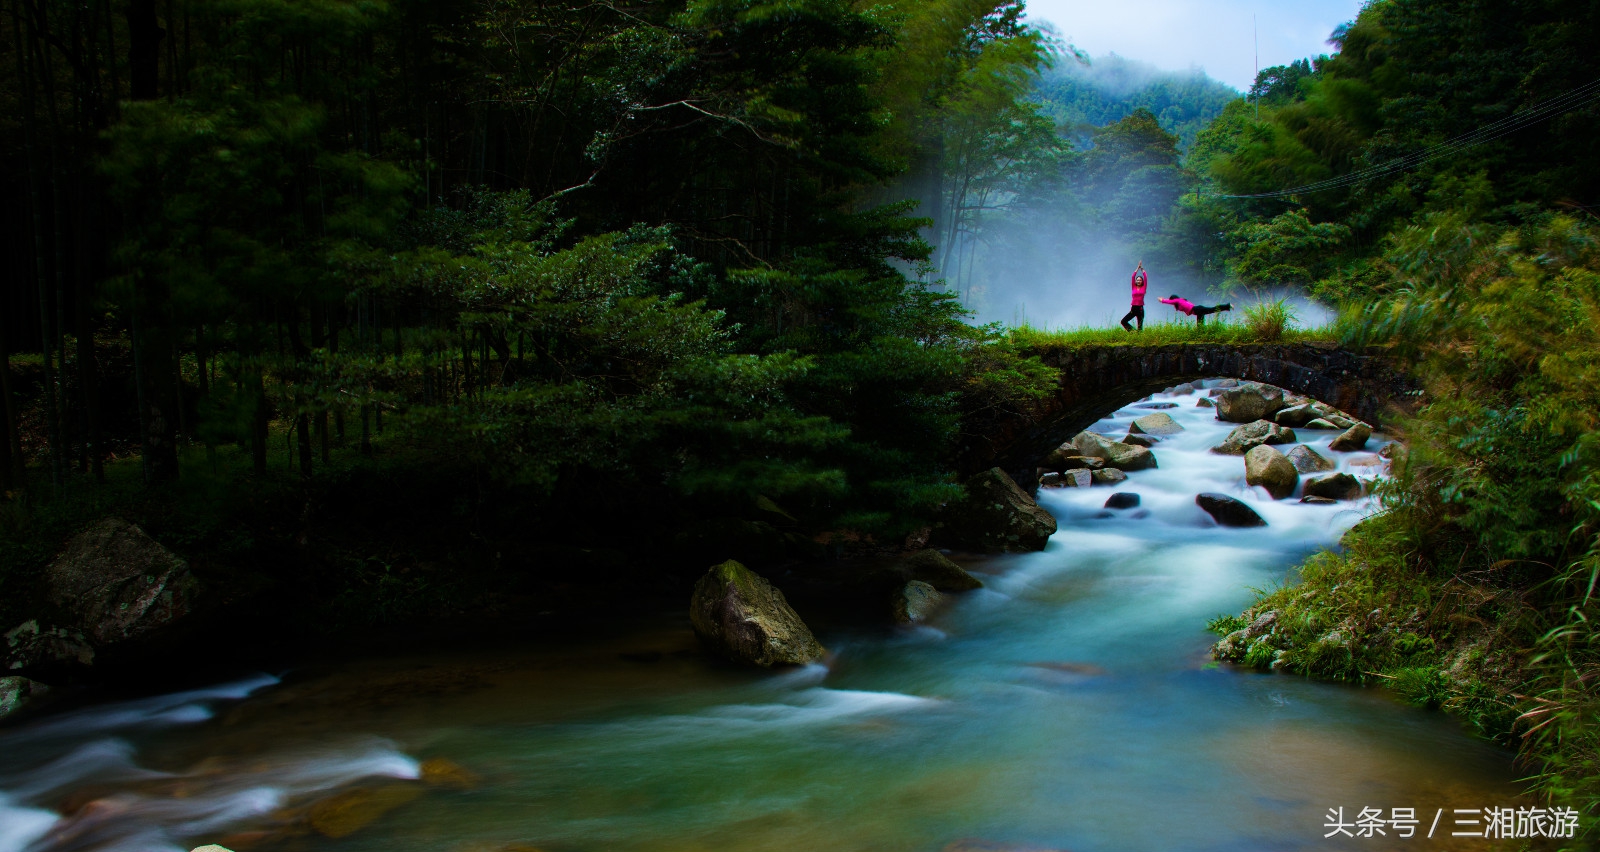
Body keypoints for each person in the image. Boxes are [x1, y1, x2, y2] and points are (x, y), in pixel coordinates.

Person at [1159, 294, 1233, 326]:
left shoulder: (1178, 300)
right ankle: (1227, 306)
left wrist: (1162, 300)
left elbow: (1170, 302)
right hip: (1197, 310)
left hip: (1197, 310)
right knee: (1200, 325)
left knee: (1213, 309)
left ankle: (1228, 306)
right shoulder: (1181, 301)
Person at [1120, 262, 1147, 332]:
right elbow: (1132, 277)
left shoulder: (1143, 288)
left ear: (1142, 281)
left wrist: (1142, 269)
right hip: (1134, 308)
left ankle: (1138, 336)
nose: (1138, 281)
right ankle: (1133, 332)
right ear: (1135, 281)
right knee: (1123, 321)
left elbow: (1146, 277)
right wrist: (1137, 268)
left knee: (1140, 328)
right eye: (1137, 280)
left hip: (1140, 308)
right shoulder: (1133, 287)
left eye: (1140, 280)